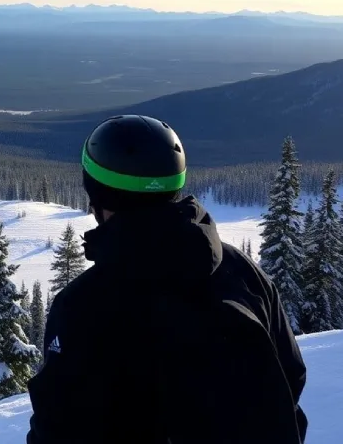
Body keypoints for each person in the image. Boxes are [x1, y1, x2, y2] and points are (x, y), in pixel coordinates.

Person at [26, 115, 308, 443]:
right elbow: (290, 382)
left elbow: (58, 427)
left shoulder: (83, 305)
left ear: (97, 198)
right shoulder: (244, 272)